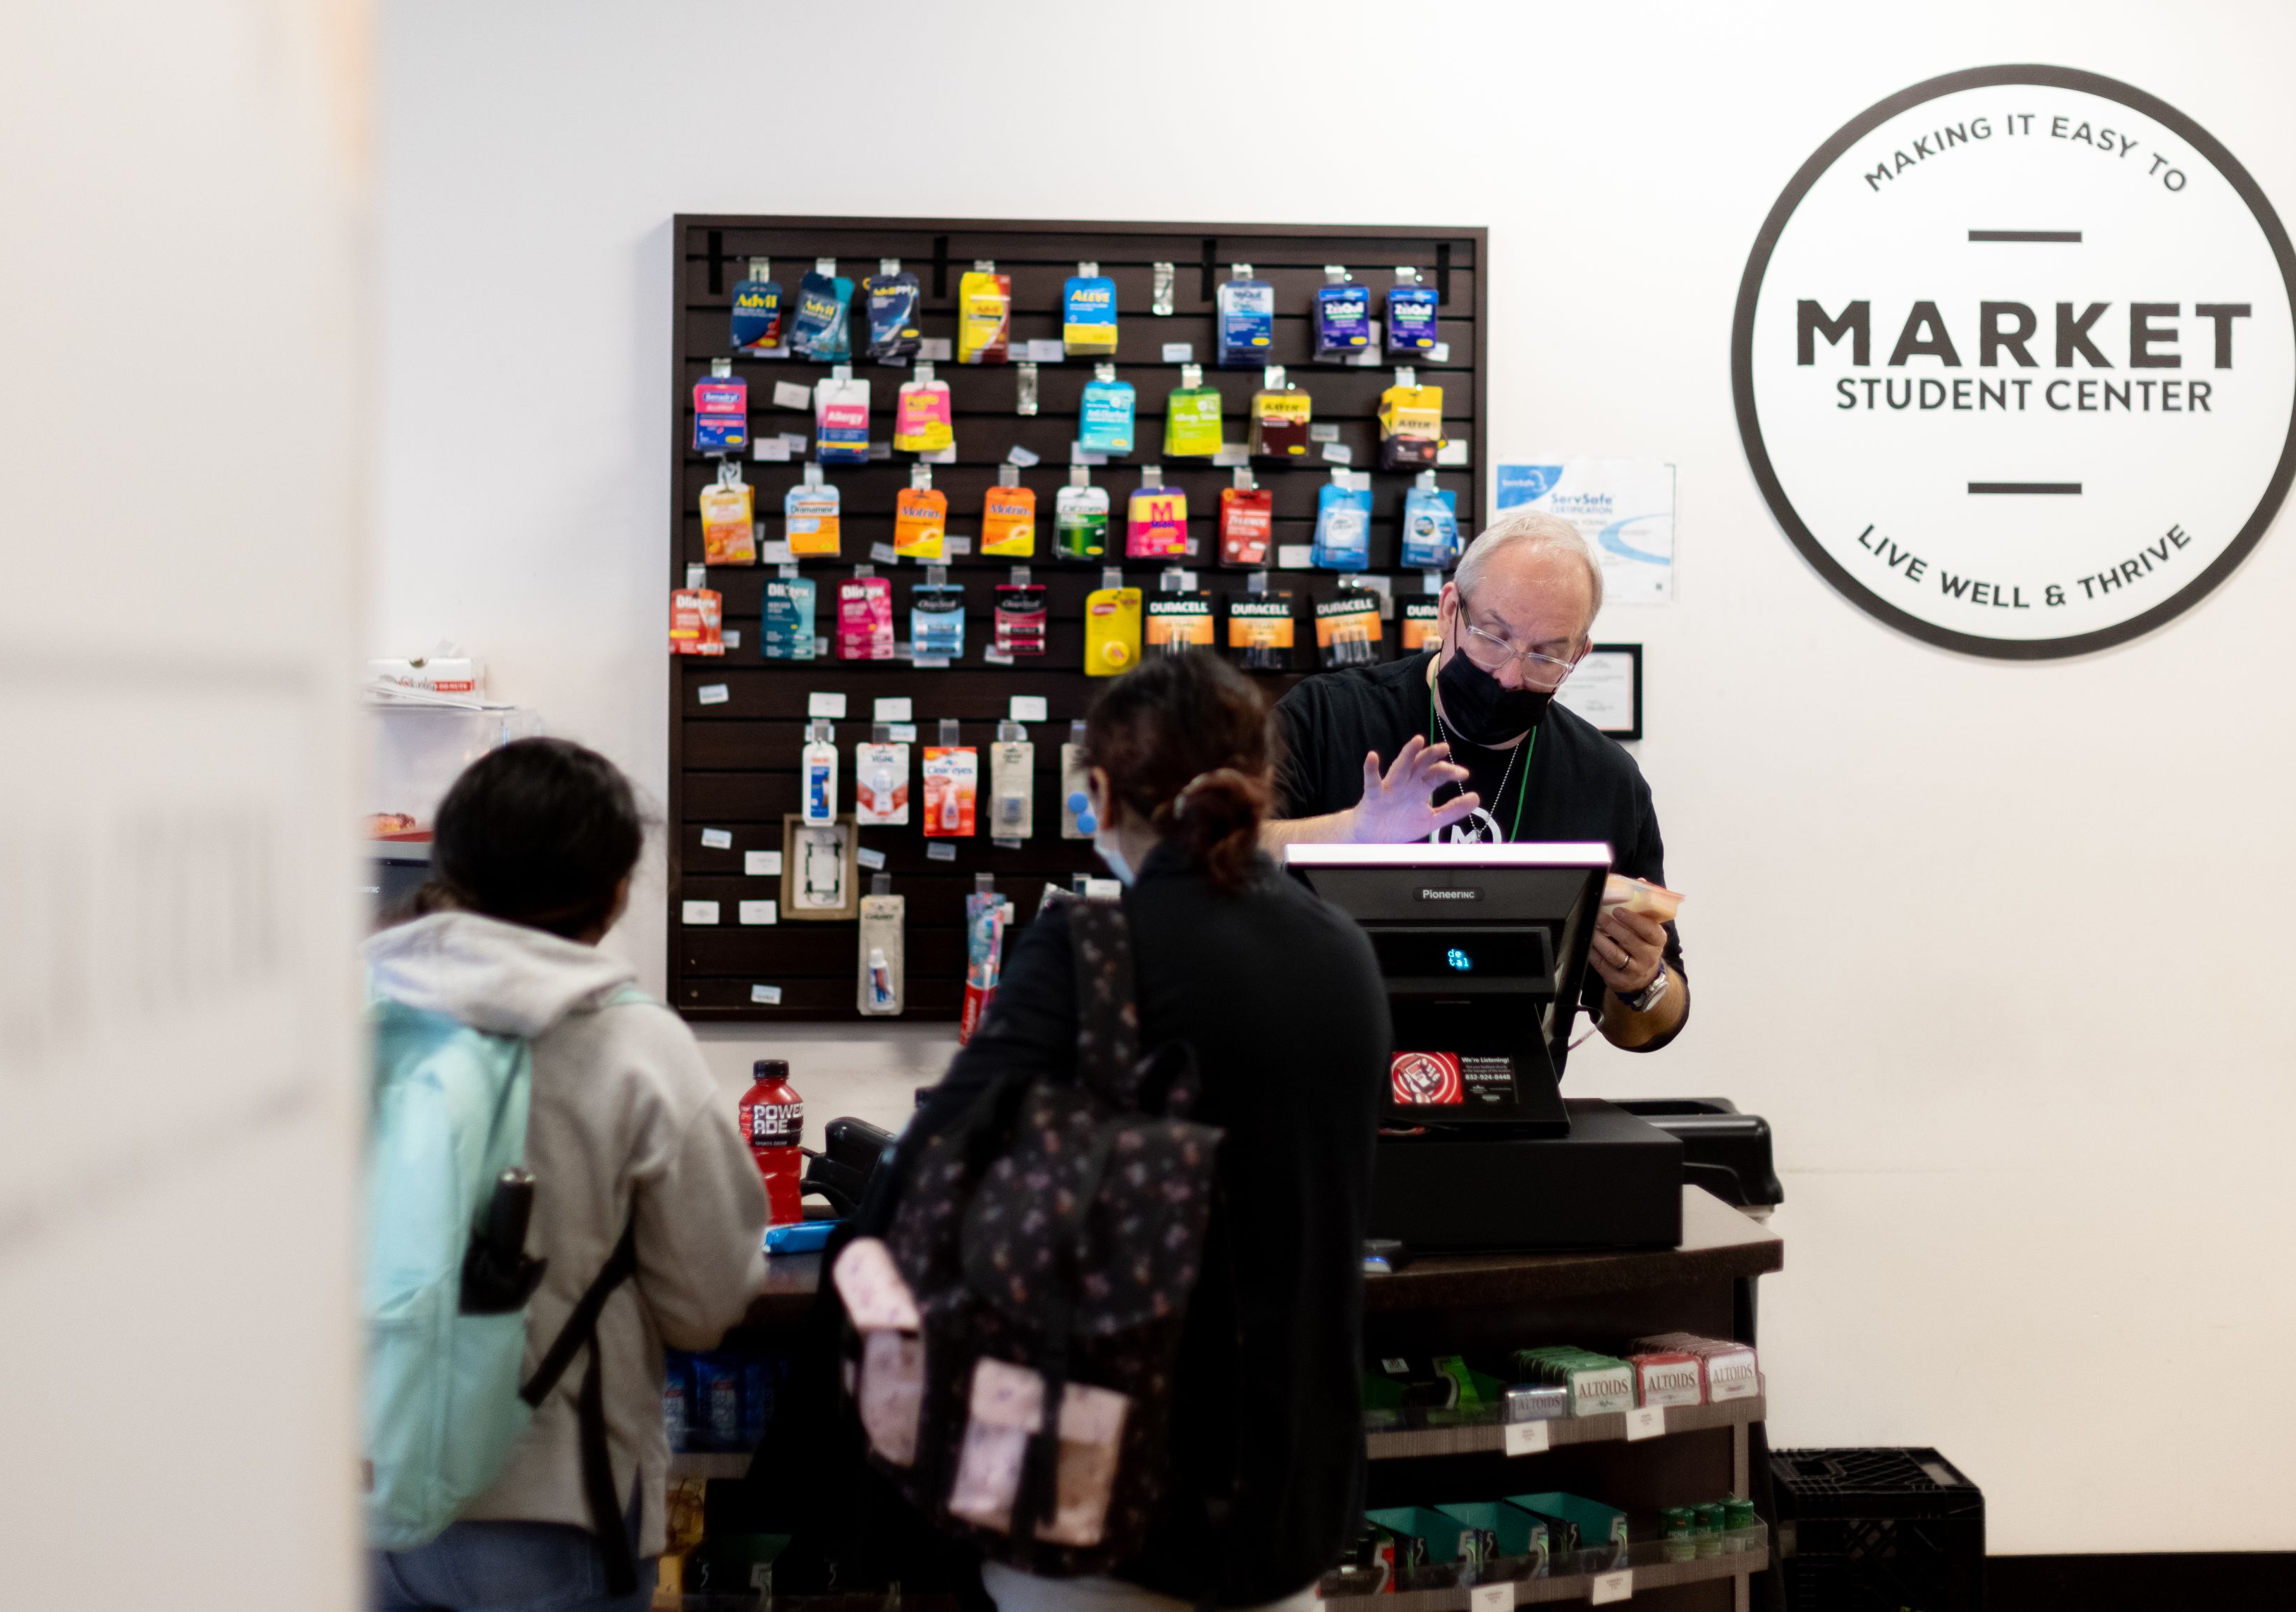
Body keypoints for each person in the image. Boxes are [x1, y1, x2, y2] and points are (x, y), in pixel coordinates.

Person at [871, 652, 1391, 1612]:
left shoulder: (1089, 948)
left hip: (1113, 1490)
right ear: (1258, 785)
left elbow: (933, 1172)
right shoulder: (1346, 953)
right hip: (1294, 1501)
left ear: (1101, 795)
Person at [367, 738, 769, 1612]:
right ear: (616, 888)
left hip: (358, 1482)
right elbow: (707, 1302)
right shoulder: (636, 1045)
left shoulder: (359, 1008)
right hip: (554, 1498)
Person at [1266, 510, 1689, 1053]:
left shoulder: (1607, 780)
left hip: (1508, 1101)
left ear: (1579, 654)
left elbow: (1648, 1029)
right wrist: (1351, 833)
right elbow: (1213, 854)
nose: (1510, 675)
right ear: (1448, 612)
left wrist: (1641, 981)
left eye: (1546, 655)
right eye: (1493, 636)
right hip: (1324, 1092)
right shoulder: (1326, 716)